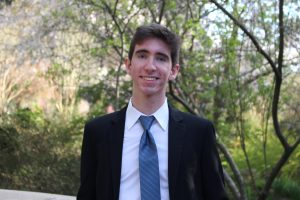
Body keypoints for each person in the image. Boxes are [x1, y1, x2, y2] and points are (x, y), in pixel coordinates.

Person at [77, 23, 228, 200]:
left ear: (173, 71)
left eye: (161, 58)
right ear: (128, 65)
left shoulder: (199, 133)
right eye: (142, 55)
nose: (150, 66)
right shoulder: (98, 132)